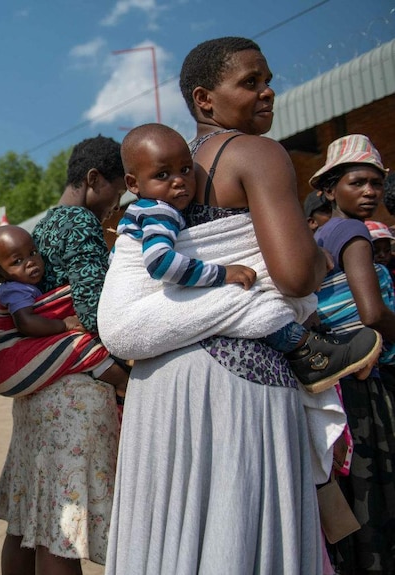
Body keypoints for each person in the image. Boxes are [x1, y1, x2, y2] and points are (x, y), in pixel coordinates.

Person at [102, 37, 336, 574]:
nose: (268, 92)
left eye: (267, 79)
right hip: (239, 377)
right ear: (205, 99)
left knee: (175, 541)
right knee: (238, 538)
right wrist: (321, 256)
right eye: (250, 82)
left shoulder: (172, 170)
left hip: (162, 380)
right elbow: (295, 275)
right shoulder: (257, 152)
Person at [116, 122, 380, 393]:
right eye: (162, 175)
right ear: (133, 184)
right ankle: (307, 351)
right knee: (246, 303)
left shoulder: (140, 212)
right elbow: (160, 263)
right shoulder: (160, 211)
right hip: (136, 318)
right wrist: (223, 273)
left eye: (185, 170)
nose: (178, 181)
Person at [0, 135, 128, 575]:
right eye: (117, 191)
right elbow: (94, 310)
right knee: (61, 528)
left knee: (28, 518)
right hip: (73, 396)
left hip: (39, 393)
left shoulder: (45, 227)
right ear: (94, 180)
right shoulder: (82, 224)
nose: (115, 204)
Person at [309, 134, 395, 573]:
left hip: (336, 382)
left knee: (352, 491)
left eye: (376, 184)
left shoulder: (323, 234)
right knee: (376, 492)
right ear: (329, 190)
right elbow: (373, 312)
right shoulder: (352, 231)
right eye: (358, 182)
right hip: (366, 381)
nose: (370, 193)